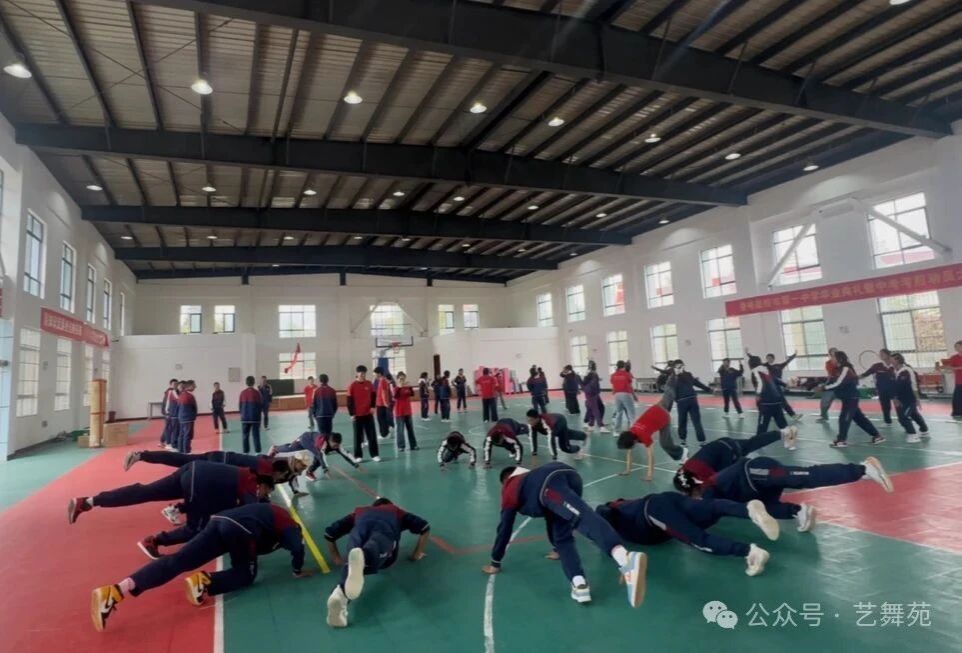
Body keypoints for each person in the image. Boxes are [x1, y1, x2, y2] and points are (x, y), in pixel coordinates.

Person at [90, 503, 306, 632]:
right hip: (238, 529)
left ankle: (116, 590)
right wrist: (297, 570)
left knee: (179, 560)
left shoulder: (272, 517)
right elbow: (297, 547)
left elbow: (255, 545)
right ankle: (204, 582)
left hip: (220, 521)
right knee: (246, 575)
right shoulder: (289, 525)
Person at [482, 462, 647, 607]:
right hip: (569, 477)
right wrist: (556, 547)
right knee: (562, 537)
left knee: (581, 516)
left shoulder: (510, 486)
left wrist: (495, 561)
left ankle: (624, 559)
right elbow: (550, 517)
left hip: (550, 484)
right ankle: (579, 584)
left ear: (506, 479)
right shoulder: (529, 478)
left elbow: (505, 527)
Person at [68, 461, 275, 558]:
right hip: (198, 481)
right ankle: (155, 541)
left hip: (192, 469)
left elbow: (218, 503)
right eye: (267, 491)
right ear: (263, 484)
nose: (264, 494)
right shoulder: (251, 484)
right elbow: (253, 512)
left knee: (146, 491)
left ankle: (88, 501)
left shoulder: (240, 476)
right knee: (196, 528)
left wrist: (183, 507)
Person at [674, 455, 893, 532]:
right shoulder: (708, 491)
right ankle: (799, 512)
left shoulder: (708, 490)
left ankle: (863, 469)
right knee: (765, 509)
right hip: (759, 490)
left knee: (804, 477)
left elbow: (706, 516)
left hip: (756, 471)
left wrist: (681, 524)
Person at [597, 494, 778, 576]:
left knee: (699, 540)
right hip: (664, 499)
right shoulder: (624, 506)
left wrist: (600, 531)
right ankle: (747, 509)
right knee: (710, 508)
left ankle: (750, 552)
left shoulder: (613, 515)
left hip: (654, 513)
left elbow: (603, 511)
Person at [324, 498, 431, 628]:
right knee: (375, 546)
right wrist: (417, 554)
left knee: (352, 564)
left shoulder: (359, 511)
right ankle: (365, 556)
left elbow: (329, 533)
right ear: (389, 504)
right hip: (384, 532)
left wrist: (335, 557)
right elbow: (425, 527)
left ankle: (339, 595)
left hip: (359, 530)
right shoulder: (396, 511)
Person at [679, 428, 797, 485]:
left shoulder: (700, 473)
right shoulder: (685, 469)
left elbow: (713, 483)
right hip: (722, 443)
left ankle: (785, 475)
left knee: (740, 475)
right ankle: (783, 433)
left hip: (728, 452)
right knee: (753, 442)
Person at [615, 388, 688, 481]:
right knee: (668, 395)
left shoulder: (643, 436)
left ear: (633, 442)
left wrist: (649, 475)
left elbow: (650, 456)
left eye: (630, 447)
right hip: (656, 408)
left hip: (664, 417)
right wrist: (628, 470)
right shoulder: (630, 434)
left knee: (665, 444)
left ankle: (683, 451)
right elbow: (629, 453)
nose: (629, 449)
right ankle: (670, 388)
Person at [822, 351, 885, 448]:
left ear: (839, 359)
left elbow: (839, 383)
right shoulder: (837, 369)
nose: (831, 359)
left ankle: (841, 440)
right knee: (860, 419)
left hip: (851, 398)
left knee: (844, 418)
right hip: (846, 398)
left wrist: (824, 388)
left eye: (833, 357)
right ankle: (877, 436)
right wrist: (821, 385)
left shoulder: (845, 368)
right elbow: (833, 381)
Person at [268, 432, 361, 479]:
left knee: (292, 447)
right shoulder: (322, 443)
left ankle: (309, 472)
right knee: (291, 448)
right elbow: (321, 456)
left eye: (337, 445)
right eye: (334, 445)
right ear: (329, 441)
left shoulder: (336, 444)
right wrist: (325, 469)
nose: (336, 447)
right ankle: (276, 449)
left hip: (311, 441)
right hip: (306, 439)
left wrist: (355, 464)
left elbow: (345, 454)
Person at [892, 352, 929, 443]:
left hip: (908, 399)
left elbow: (904, 386)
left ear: (898, 360)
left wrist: (917, 399)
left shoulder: (905, 371)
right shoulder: (896, 371)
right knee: (914, 414)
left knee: (903, 417)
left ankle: (913, 435)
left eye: (892, 360)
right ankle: (924, 430)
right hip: (902, 398)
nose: (891, 361)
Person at [673, 361, 711, 446]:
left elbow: (697, 383)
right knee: (683, 421)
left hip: (690, 400)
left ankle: (700, 441)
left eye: (680, 366)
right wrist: (676, 399)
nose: (678, 368)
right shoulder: (674, 377)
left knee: (694, 421)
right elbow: (672, 389)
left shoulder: (687, 375)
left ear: (683, 366)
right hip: (684, 401)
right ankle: (685, 440)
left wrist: (708, 389)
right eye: (677, 366)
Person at [750, 356, 789, 437]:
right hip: (777, 400)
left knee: (762, 425)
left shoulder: (755, 371)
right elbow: (775, 379)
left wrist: (758, 394)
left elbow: (760, 383)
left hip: (766, 402)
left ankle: (758, 441)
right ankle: (790, 439)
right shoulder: (766, 370)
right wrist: (785, 384)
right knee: (782, 423)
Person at [348, 365, 380, 462]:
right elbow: (349, 401)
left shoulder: (369, 384)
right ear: (357, 373)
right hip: (357, 415)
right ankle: (358, 456)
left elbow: (373, 395)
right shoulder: (352, 385)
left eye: (364, 373)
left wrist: (373, 407)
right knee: (357, 436)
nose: (362, 375)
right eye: (361, 373)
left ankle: (374, 455)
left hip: (368, 414)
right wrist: (351, 414)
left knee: (372, 435)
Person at [759, 351, 801, 421]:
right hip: (768, 387)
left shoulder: (779, 366)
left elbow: (787, 361)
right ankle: (766, 415)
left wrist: (794, 355)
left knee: (782, 401)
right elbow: (756, 365)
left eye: (770, 358)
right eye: (767, 358)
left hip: (778, 386)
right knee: (767, 402)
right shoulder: (765, 366)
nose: (769, 359)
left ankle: (793, 415)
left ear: (773, 358)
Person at [859, 349, 895, 425]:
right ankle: (887, 421)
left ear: (888, 354)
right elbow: (865, 374)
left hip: (895, 389)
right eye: (880, 354)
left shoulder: (894, 365)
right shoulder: (876, 366)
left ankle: (905, 418)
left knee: (900, 406)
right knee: (885, 406)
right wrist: (855, 377)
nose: (880, 355)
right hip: (882, 390)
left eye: (882, 354)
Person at [393, 372, 418, 451]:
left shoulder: (407, 387)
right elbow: (395, 396)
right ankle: (401, 446)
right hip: (399, 412)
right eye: (400, 379)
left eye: (403, 378)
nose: (402, 380)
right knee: (400, 430)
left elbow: (412, 394)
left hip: (408, 411)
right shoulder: (396, 388)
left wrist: (409, 387)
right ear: (397, 379)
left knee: (410, 429)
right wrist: (399, 387)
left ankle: (413, 445)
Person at [937, 340, 962, 419]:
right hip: (959, 381)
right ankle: (958, 413)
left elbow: (956, 368)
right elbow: (950, 368)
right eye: (956, 347)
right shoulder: (954, 357)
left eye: (958, 346)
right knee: (957, 398)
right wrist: (941, 368)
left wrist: (954, 368)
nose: (956, 348)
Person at [581, 362, 608, 433]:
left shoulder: (589, 373)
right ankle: (601, 426)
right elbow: (592, 383)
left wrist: (598, 380)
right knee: (595, 410)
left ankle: (590, 424)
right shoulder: (592, 373)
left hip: (593, 394)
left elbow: (587, 382)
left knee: (600, 407)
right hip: (592, 394)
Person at [239, 375, 263, 454]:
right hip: (255, 418)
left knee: (245, 436)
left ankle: (246, 452)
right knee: (256, 435)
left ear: (246, 383)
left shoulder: (242, 393)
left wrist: (242, 414)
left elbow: (240, 406)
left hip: (245, 418)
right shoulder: (257, 393)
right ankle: (257, 452)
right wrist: (259, 418)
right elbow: (260, 406)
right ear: (254, 382)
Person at [610, 360, 636, 433]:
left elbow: (613, 384)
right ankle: (633, 431)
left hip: (617, 395)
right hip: (626, 394)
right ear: (624, 366)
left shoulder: (613, 375)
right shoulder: (627, 374)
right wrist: (634, 395)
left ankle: (616, 431)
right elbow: (630, 385)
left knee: (619, 413)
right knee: (631, 413)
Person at [816, 348, 839, 423]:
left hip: (843, 385)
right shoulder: (828, 363)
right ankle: (824, 416)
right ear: (830, 355)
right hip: (832, 384)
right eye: (832, 354)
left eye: (835, 353)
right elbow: (830, 375)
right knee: (824, 402)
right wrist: (825, 384)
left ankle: (857, 417)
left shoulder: (844, 362)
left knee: (850, 402)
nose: (834, 355)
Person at [176, 380, 198, 453]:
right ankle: (187, 451)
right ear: (190, 386)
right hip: (188, 418)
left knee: (181, 434)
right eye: (194, 385)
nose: (195, 387)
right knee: (187, 435)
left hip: (181, 418)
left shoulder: (181, 395)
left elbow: (178, 406)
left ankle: (180, 450)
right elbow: (194, 407)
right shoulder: (190, 396)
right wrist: (194, 415)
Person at [373, 367, 395, 438]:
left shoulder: (382, 381)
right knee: (383, 419)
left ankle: (384, 434)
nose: (374, 375)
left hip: (381, 404)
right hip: (380, 404)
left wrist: (385, 403)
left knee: (381, 419)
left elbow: (384, 392)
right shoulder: (382, 381)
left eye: (375, 374)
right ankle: (386, 432)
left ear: (379, 374)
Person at [160, 378, 179, 449]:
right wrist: (166, 413)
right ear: (170, 384)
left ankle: (162, 441)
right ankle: (168, 443)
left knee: (168, 428)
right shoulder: (170, 391)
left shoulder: (176, 391)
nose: (176, 385)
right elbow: (167, 403)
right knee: (169, 428)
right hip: (169, 413)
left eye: (177, 384)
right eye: (174, 384)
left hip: (172, 413)